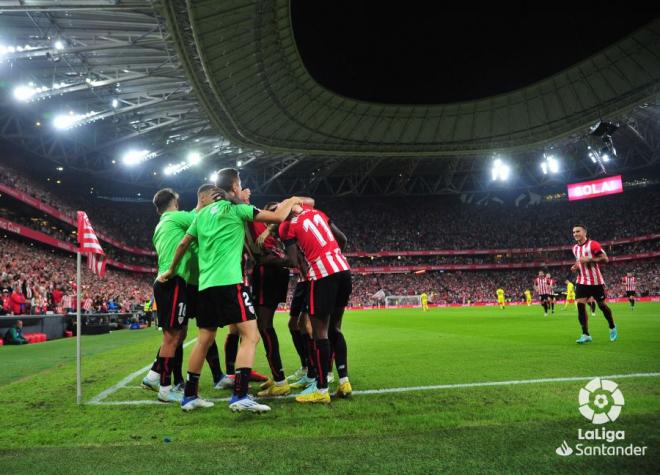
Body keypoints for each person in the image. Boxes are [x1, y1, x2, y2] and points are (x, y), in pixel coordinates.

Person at [160, 168, 303, 412]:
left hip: (205, 286)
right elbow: (278, 217)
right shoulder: (238, 210)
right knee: (251, 335)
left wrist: (170, 270)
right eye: (240, 185)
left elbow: (183, 243)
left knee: (204, 339)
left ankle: (190, 396)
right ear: (235, 187)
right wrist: (291, 200)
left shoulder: (201, 215)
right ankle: (240, 396)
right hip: (229, 283)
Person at [282, 205, 352, 404]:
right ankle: (344, 381)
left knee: (320, 332)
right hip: (343, 268)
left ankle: (321, 390)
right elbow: (343, 239)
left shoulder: (290, 226)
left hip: (321, 274)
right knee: (335, 328)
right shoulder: (319, 213)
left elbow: (294, 260)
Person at [570, 224, 617, 344]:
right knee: (580, 306)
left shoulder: (593, 244)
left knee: (602, 306)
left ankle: (612, 326)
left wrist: (589, 259)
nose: (575, 234)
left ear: (584, 232)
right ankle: (585, 334)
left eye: (578, 231)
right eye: (574, 232)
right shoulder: (574, 248)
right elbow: (579, 260)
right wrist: (576, 266)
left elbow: (605, 259)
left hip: (596, 282)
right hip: (581, 281)